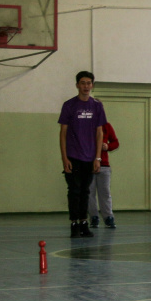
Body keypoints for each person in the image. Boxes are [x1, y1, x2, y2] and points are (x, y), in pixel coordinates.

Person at [58, 71, 105, 238]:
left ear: (92, 85)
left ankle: (84, 223)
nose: (86, 86)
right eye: (83, 83)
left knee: (85, 191)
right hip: (73, 156)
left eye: (89, 83)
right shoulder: (69, 105)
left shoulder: (97, 105)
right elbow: (63, 132)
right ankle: (74, 223)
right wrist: (65, 158)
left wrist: (97, 158)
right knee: (74, 190)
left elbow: (99, 133)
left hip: (90, 157)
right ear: (77, 85)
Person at [88, 121, 119, 228]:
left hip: (104, 165)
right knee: (89, 193)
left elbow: (115, 142)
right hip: (88, 165)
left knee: (105, 193)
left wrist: (107, 146)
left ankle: (108, 217)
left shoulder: (107, 125)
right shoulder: (86, 125)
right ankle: (93, 217)